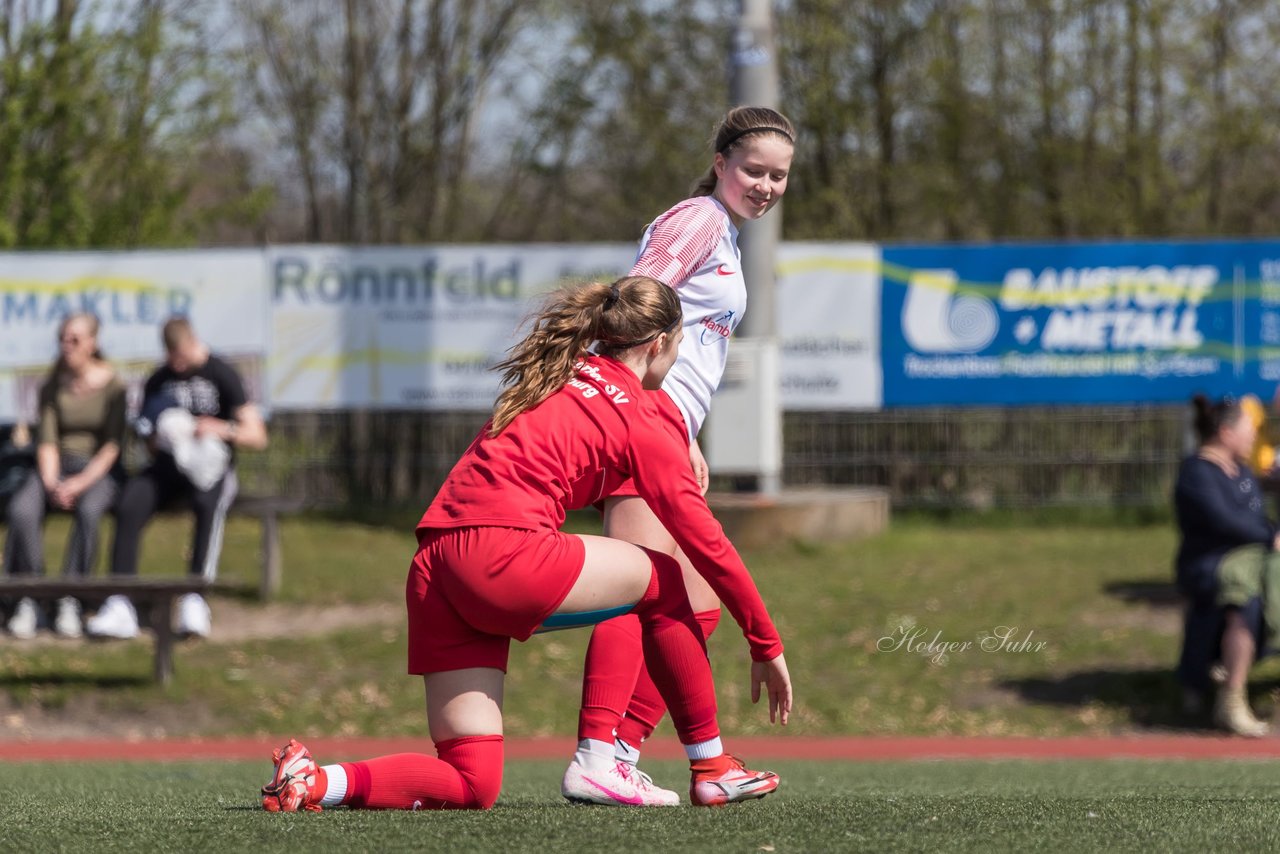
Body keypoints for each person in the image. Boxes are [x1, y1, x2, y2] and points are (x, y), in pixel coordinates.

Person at [259, 276, 792, 812]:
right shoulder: (645, 413)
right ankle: (710, 768)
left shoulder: (556, 374)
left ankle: (316, 782)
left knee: (472, 782)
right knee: (669, 581)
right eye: (678, 347)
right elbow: (708, 542)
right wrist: (765, 644)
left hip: (435, 568)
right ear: (658, 343)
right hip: (503, 557)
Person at [565, 106, 795, 804]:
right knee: (634, 592)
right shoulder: (697, 218)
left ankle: (627, 751)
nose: (765, 184)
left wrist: (686, 431)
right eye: (753, 169)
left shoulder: (721, 230)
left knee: (693, 603)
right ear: (721, 161)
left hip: (665, 427)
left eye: (779, 175)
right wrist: (654, 418)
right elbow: (637, 305)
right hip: (643, 423)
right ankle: (598, 754)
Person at [86, 317, 268, 640]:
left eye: (183, 355)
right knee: (131, 500)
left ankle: (195, 596)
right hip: (169, 467)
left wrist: (219, 428)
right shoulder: (159, 380)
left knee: (208, 501)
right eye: (173, 358)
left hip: (212, 468)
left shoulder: (222, 374)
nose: (178, 364)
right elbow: (147, 439)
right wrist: (165, 436)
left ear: (193, 342)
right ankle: (121, 600)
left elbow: (257, 435)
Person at [3, 313, 126, 639]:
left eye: (74, 339)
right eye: (62, 338)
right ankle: (32, 595)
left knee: (89, 512)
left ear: (92, 343)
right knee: (21, 510)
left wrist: (79, 484)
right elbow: (47, 441)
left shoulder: (114, 387)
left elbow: (112, 447)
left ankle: (70, 597)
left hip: (97, 470)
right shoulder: (52, 386)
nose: (66, 345)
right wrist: (52, 482)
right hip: (54, 467)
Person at [1174, 394, 1278, 736]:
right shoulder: (1197, 473)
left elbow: (1257, 520)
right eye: (1249, 430)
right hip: (1208, 565)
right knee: (1244, 602)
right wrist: (1271, 537)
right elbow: (1224, 522)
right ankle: (1232, 699)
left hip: (1252, 562)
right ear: (1225, 432)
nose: (1254, 437)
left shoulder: (1243, 472)